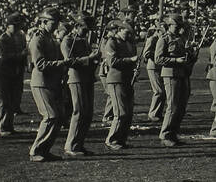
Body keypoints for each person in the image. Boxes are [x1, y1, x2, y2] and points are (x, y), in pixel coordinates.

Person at [27, 7, 69, 162]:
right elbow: (40, 64)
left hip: (51, 82)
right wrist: (61, 63)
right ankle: (36, 151)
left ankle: (44, 150)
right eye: (53, 22)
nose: (56, 25)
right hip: (41, 83)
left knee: (57, 117)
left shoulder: (50, 38)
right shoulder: (38, 39)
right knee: (50, 115)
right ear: (43, 22)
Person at [61, 11, 100, 156]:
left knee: (87, 113)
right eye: (84, 29)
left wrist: (94, 59)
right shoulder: (68, 41)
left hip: (87, 77)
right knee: (79, 111)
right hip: (76, 78)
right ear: (76, 26)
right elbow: (69, 61)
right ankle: (71, 145)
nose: (86, 32)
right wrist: (89, 58)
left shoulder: (82, 40)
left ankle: (79, 143)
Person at [101, 15, 138, 150]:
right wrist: (130, 60)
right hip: (116, 80)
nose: (128, 35)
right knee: (120, 112)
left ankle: (121, 139)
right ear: (120, 30)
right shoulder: (112, 42)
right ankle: (111, 140)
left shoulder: (128, 43)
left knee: (128, 113)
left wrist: (134, 68)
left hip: (127, 80)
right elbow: (113, 62)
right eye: (126, 32)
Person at [155, 12, 192, 147]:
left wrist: (190, 53)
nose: (179, 28)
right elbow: (158, 59)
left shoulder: (180, 39)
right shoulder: (163, 39)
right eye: (176, 26)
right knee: (172, 106)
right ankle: (165, 135)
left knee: (181, 107)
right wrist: (175, 59)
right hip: (170, 74)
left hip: (182, 74)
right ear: (170, 25)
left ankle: (173, 133)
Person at [0, 12, 28, 136]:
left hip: (15, 72)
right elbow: (4, 57)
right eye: (14, 25)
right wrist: (20, 56)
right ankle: (2, 126)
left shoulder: (18, 37)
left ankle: (9, 125)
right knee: (4, 100)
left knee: (13, 100)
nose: (17, 27)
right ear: (8, 26)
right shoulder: (3, 39)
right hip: (4, 72)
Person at [142, 20, 165, 124]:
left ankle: (158, 113)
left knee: (162, 92)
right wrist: (156, 55)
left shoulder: (160, 39)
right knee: (158, 91)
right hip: (153, 66)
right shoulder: (152, 39)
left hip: (159, 67)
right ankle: (153, 113)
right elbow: (146, 54)